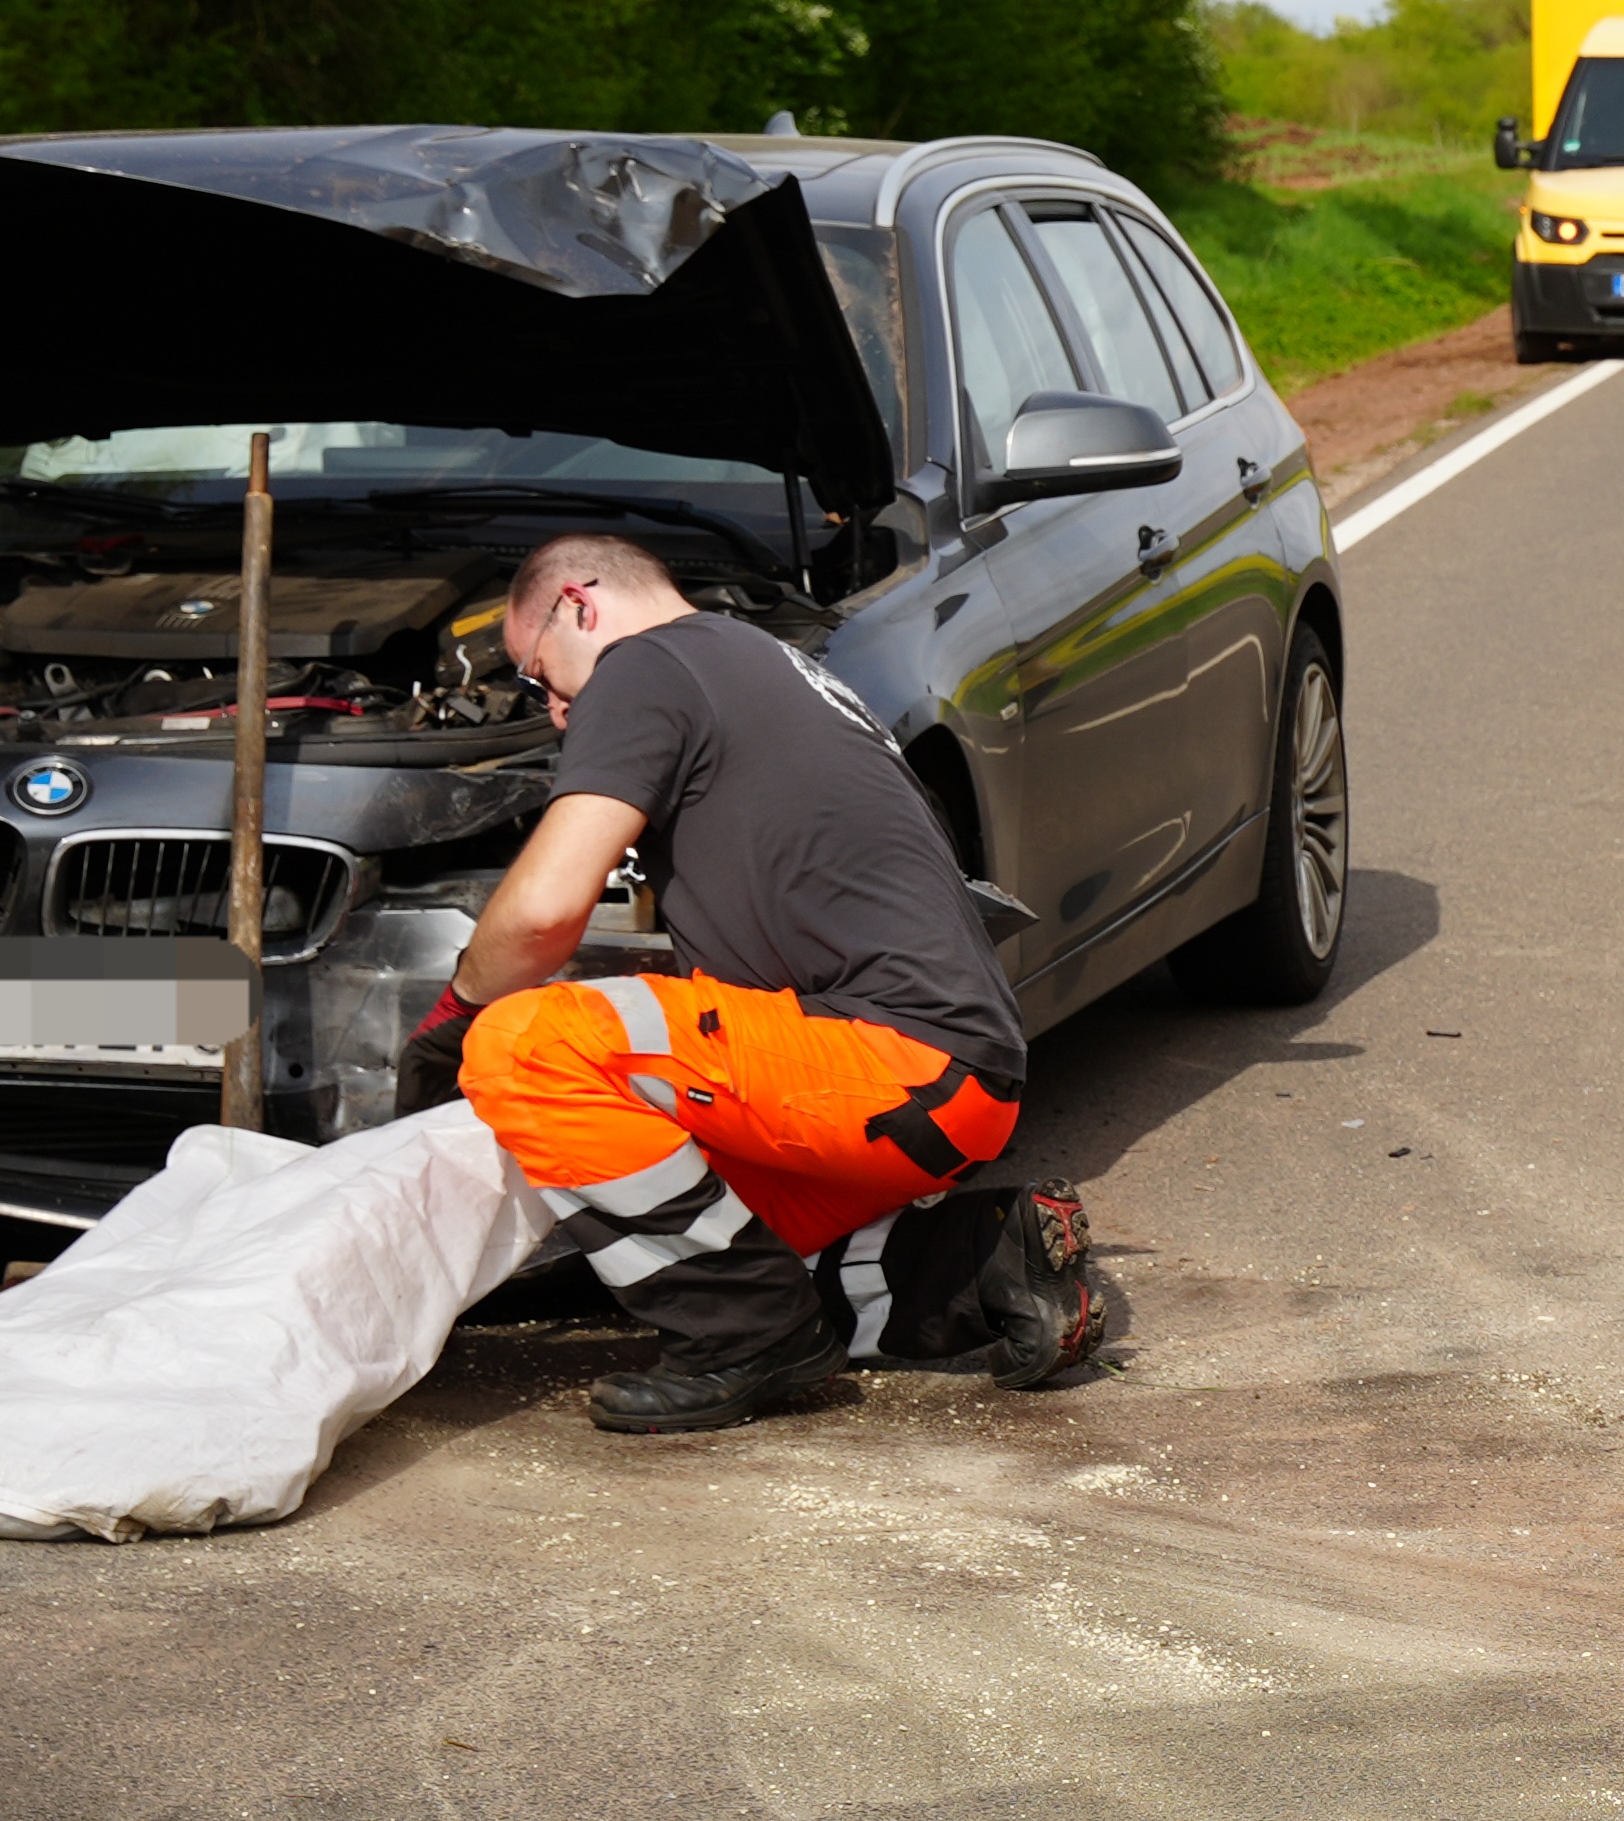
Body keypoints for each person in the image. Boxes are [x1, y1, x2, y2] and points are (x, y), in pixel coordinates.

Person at [430, 531, 1119, 1431]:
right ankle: (981, 1261)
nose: (554, 711)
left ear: (580, 605)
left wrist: (455, 1013)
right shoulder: (766, 664)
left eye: (536, 676)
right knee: (650, 1251)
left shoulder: (644, 666)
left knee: (525, 1043)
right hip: (947, 1082)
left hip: (884, 1063)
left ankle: (751, 1341)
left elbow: (542, 915)